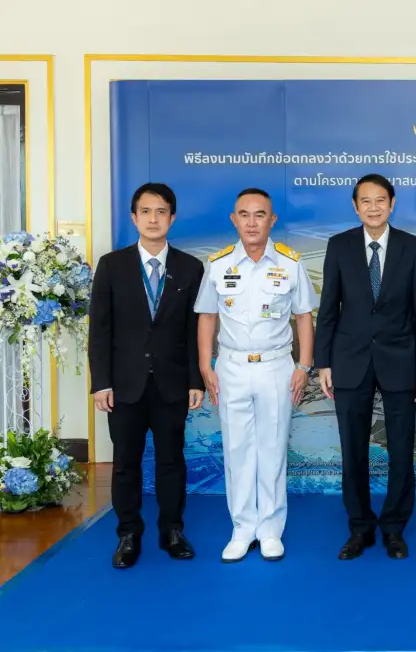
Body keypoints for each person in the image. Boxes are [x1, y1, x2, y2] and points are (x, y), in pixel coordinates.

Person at [194, 187, 318, 563]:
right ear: (234, 220)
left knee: (272, 448)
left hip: (276, 366)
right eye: (244, 215)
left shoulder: (290, 263)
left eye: (260, 214)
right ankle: (242, 527)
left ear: (272, 220)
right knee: (237, 449)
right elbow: (207, 317)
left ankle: (270, 530)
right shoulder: (218, 265)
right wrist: (205, 366)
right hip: (231, 366)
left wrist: (304, 366)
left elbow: (304, 317)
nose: (251, 222)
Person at [314, 174, 416, 561]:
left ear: (392, 203)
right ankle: (360, 527)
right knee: (353, 450)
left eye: (380, 200)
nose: (373, 207)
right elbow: (328, 308)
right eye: (365, 201)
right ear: (355, 207)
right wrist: (323, 362)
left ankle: (394, 527)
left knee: (401, 449)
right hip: (349, 361)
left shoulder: (413, 247)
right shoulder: (339, 245)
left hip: (400, 361)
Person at [88, 182, 204, 569]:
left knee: (172, 461)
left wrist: (195, 380)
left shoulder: (190, 267)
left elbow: (194, 332)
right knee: (126, 463)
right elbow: (99, 330)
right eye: (146, 211)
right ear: (134, 217)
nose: (153, 219)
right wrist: (101, 382)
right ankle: (128, 534)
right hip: (124, 385)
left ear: (172, 217)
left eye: (161, 212)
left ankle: (172, 530)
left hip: (172, 383)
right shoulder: (112, 265)